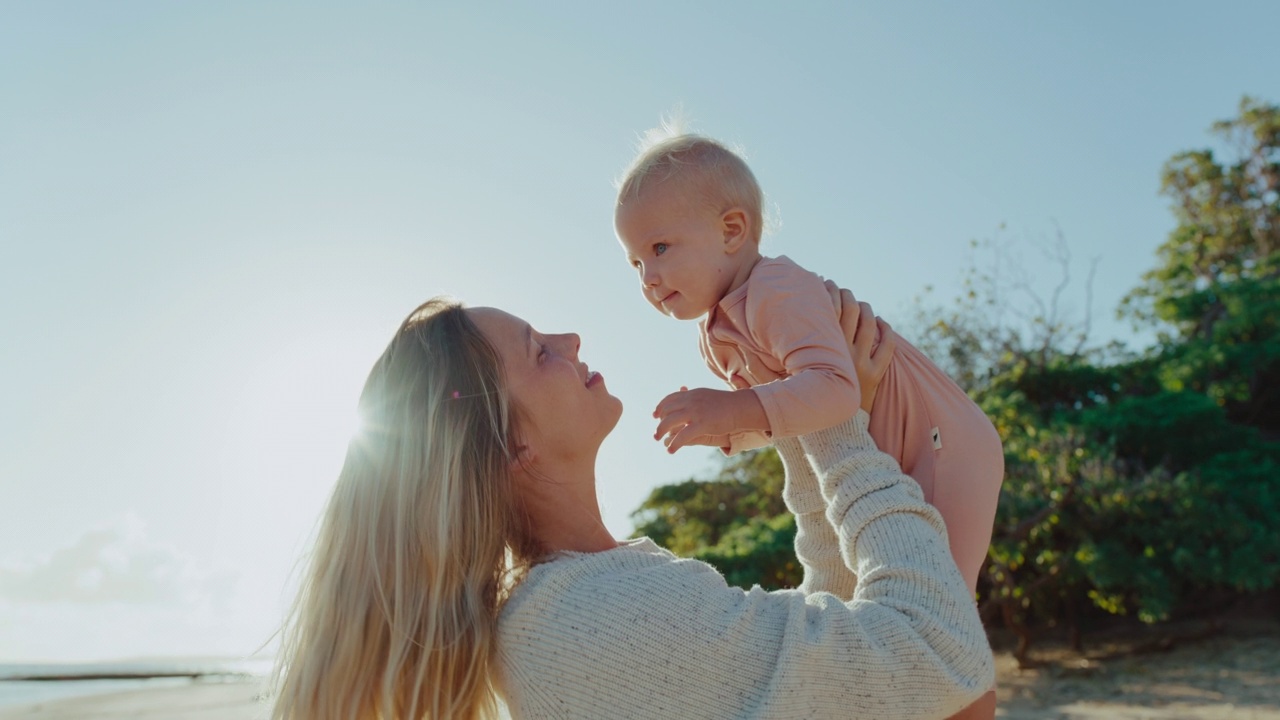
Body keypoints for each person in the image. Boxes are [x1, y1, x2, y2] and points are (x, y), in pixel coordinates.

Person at [269, 289, 994, 719]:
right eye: (539, 352)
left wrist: (803, 427)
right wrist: (836, 423)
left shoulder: (584, 600)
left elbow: (815, 658)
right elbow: (940, 654)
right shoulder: (593, 621)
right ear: (513, 446)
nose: (569, 339)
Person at [613, 128, 1005, 719]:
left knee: (940, 613)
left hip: (943, 443)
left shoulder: (775, 289)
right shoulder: (716, 332)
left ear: (732, 231)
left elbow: (834, 389)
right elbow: (788, 421)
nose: (647, 276)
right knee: (875, 605)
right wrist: (729, 433)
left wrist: (731, 409)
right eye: (636, 261)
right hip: (888, 452)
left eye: (661, 248)